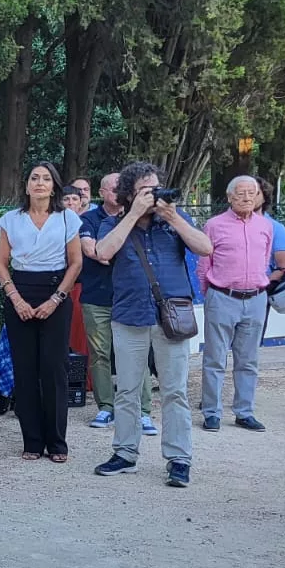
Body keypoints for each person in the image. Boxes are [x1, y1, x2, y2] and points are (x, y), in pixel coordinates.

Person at [91, 161, 213, 487]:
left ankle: (179, 459)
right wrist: (133, 214)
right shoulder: (114, 223)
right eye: (147, 190)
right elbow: (103, 251)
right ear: (130, 194)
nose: (154, 195)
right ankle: (125, 453)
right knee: (128, 389)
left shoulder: (173, 222)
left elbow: (205, 248)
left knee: (174, 391)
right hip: (129, 317)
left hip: (170, 318)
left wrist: (172, 215)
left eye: (156, 188)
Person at [0, 161, 83, 462]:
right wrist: (16, 299)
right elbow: (1, 262)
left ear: (54, 185)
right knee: (26, 369)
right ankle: (32, 441)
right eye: (34, 178)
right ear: (27, 184)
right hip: (20, 292)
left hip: (56, 292)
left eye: (46, 178)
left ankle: (57, 443)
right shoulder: (10, 220)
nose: (40, 183)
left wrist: (56, 298)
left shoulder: (68, 218)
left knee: (54, 369)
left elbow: (76, 262)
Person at [79, 172, 156, 434]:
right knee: (100, 354)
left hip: (130, 298)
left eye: (122, 188)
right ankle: (106, 407)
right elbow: (95, 251)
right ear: (102, 193)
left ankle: (143, 410)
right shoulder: (88, 219)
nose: (118, 192)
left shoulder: (143, 219)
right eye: (113, 188)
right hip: (97, 296)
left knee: (138, 355)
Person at [197, 175, 274, 433]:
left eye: (252, 192)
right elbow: (204, 264)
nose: (247, 197)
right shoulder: (214, 225)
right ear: (229, 197)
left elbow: (265, 260)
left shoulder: (265, 226)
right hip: (222, 297)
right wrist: (210, 294)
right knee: (215, 358)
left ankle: (244, 411)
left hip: (255, 298)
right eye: (241, 193)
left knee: (249, 360)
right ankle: (211, 412)